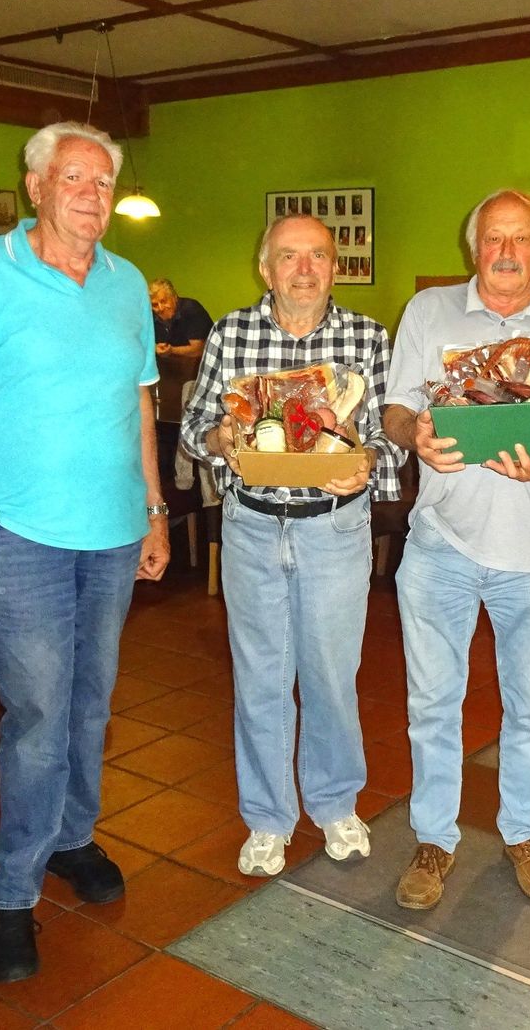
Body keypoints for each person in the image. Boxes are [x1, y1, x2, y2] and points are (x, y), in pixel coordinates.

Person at [0, 121, 169, 984]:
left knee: (91, 705)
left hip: (113, 532)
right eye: (74, 179)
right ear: (35, 187)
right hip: (18, 534)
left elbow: (138, 410)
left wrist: (157, 512)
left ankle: (73, 838)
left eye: (103, 182)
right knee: (36, 720)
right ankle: (11, 894)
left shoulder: (129, 285)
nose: (92, 196)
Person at [382, 189, 530, 910]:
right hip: (439, 547)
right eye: (492, 239)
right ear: (472, 246)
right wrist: (411, 433)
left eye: (519, 239)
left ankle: (522, 832)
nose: (505, 253)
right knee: (432, 703)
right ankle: (434, 838)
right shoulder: (429, 313)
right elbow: (393, 408)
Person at [180, 214, 402, 879]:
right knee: (260, 679)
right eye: (288, 257)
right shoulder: (231, 332)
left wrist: (365, 466)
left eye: (317, 257)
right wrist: (221, 441)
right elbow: (194, 427)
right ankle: (268, 819)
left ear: (336, 267)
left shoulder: (366, 339)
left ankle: (335, 804)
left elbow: (391, 434)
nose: (303, 269)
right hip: (250, 523)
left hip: (336, 525)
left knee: (332, 676)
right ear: (265, 267)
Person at [149, 278, 213, 357]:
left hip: (204, 362)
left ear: (174, 297)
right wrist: (155, 348)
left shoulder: (191, 309)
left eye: (164, 301)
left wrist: (172, 350)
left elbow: (199, 350)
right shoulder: (150, 315)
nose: (160, 308)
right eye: (155, 305)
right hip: (171, 364)